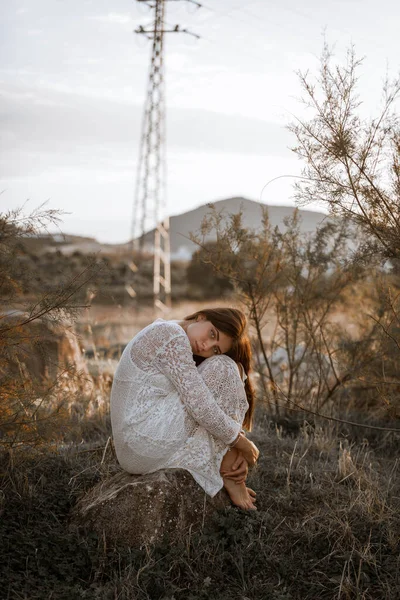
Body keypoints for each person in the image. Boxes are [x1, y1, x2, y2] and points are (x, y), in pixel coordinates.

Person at [110, 308, 260, 510]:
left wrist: (232, 444)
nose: (206, 346)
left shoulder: (169, 331)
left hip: (135, 447)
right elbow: (200, 406)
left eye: (215, 349)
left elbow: (200, 402)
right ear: (202, 317)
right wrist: (240, 443)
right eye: (212, 334)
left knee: (226, 368)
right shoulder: (170, 335)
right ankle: (230, 470)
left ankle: (228, 462)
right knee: (224, 367)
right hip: (140, 440)